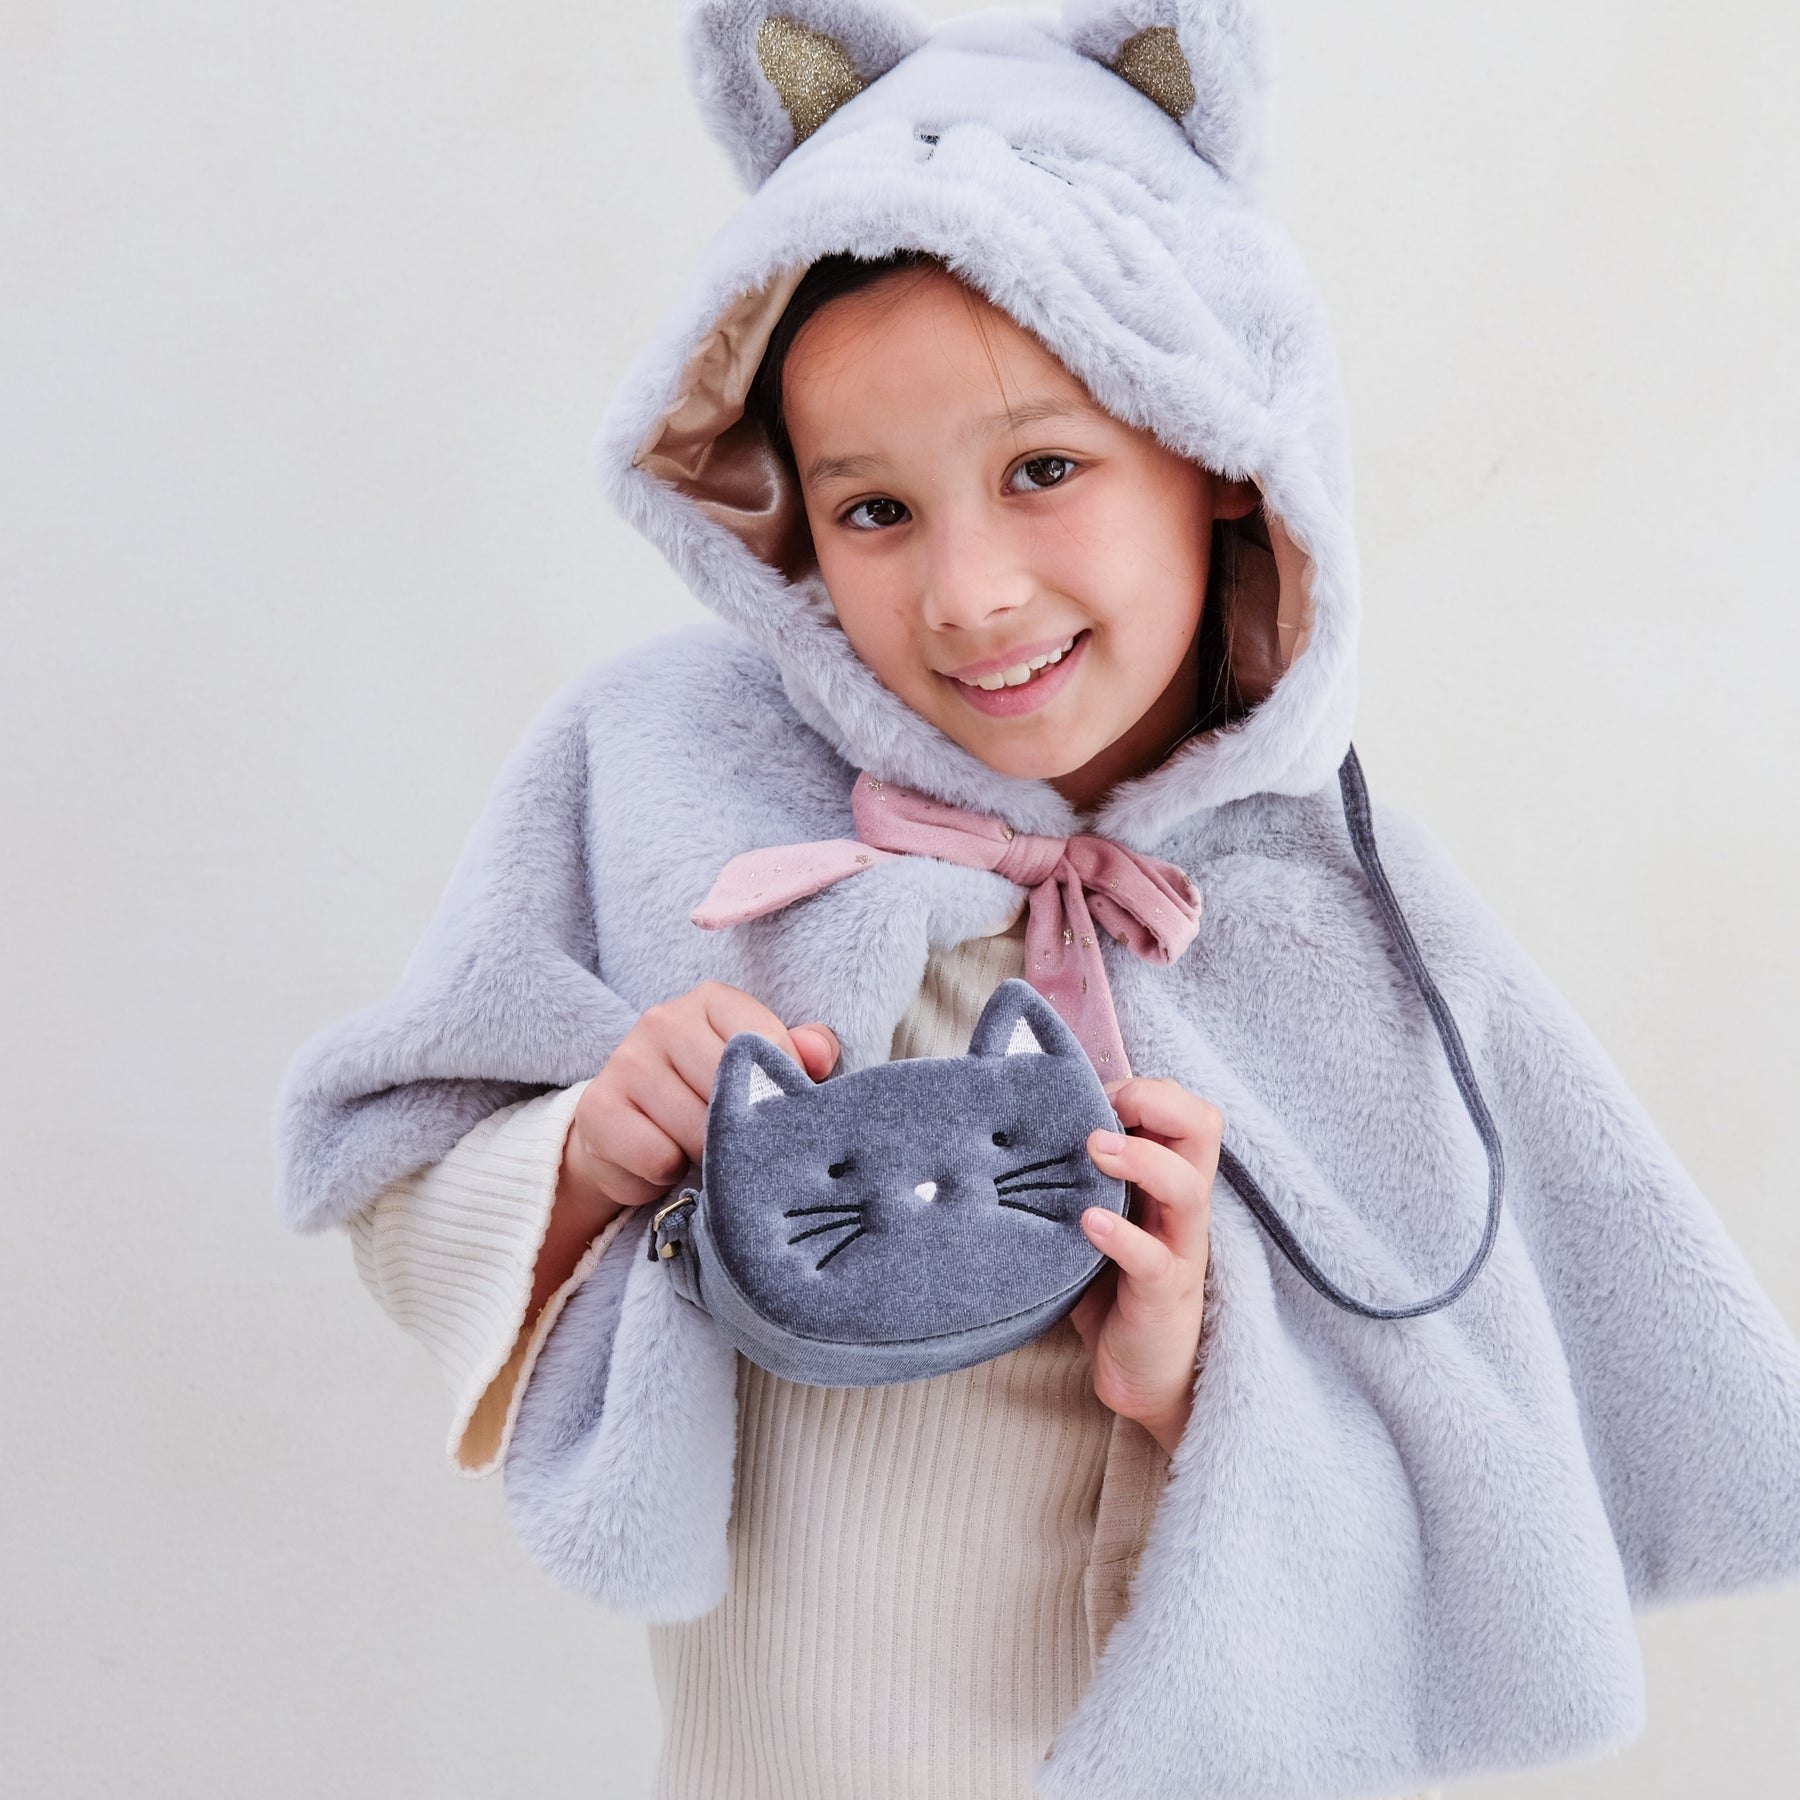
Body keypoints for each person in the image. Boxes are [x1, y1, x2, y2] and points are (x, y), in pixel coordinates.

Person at [273, 5, 1800, 1798]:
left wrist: (1192, 1373)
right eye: (873, 510)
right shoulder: (664, 777)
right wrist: (591, 1154)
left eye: (1045, 470)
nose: (971, 594)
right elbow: (403, 1187)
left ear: (1217, 454)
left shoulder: (1342, 906)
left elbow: (1458, 1438)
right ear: (783, 519)